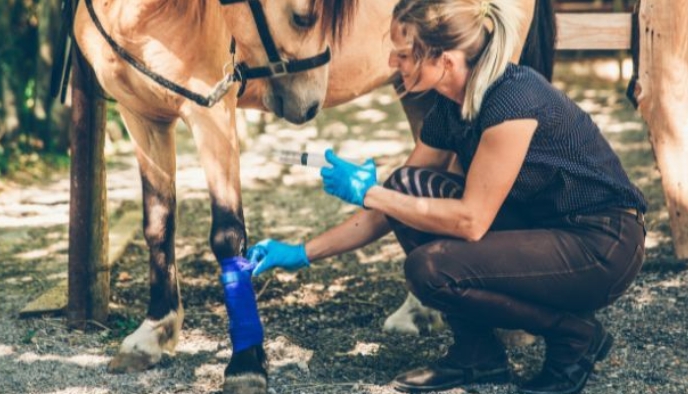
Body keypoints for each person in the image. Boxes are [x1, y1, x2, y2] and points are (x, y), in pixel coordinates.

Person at [246, 0, 647, 393]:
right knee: (406, 185)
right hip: (544, 230)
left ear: (445, 61)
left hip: (601, 246)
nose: (391, 64)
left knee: (430, 270)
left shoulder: (512, 101)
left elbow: (470, 221)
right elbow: (394, 202)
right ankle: (477, 354)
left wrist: (372, 194)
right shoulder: (449, 109)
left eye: (403, 54)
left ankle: (575, 337)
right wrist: (300, 252)